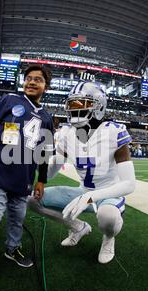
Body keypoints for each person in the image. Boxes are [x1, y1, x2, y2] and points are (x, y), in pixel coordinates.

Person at [28, 81, 136, 264]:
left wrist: (92, 197)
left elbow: (129, 184)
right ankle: (78, 227)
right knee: (32, 200)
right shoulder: (67, 133)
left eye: (81, 104)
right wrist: (37, 158)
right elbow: (52, 171)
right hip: (82, 191)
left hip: (108, 194)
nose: (74, 110)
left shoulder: (114, 132)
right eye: (71, 105)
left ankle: (109, 238)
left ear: (98, 106)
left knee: (107, 216)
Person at [0, 64, 54, 286]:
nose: (32, 82)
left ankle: (12, 249)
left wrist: (41, 180)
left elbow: (44, 153)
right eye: (29, 78)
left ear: (46, 86)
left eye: (38, 79)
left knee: (18, 218)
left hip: (23, 178)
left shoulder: (46, 117)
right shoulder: (10, 100)